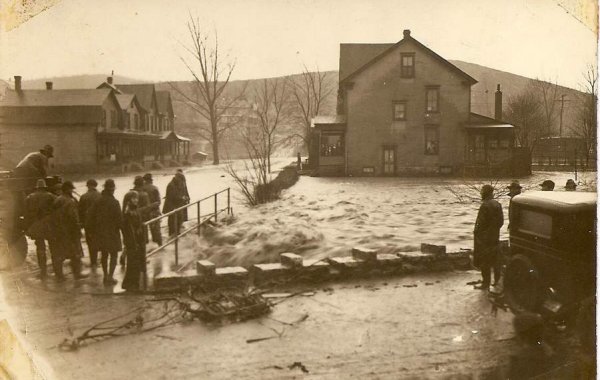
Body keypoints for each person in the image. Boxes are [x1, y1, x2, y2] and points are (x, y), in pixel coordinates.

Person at [87, 179, 122, 285]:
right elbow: (119, 220)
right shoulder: (115, 202)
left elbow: (90, 217)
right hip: (112, 233)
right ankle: (110, 277)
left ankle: (105, 275)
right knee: (114, 255)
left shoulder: (97, 201)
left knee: (104, 254)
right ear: (112, 190)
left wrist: (91, 231)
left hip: (100, 233)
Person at [52, 181, 87, 281]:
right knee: (75, 253)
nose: (72, 191)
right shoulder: (69, 201)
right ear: (68, 189)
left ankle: (59, 275)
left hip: (60, 230)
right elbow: (73, 217)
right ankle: (77, 274)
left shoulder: (58, 199)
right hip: (70, 231)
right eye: (71, 189)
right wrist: (78, 228)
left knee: (60, 253)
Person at [473, 184, 504, 290]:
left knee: (484, 261)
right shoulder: (497, 204)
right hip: (494, 236)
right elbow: (501, 222)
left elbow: (480, 224)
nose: (481, 193)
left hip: (484, 239)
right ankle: (496, 281)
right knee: (495, 259)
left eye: (482, 191)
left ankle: (485, 283)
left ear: (485, 193)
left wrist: (478, 234)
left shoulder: (485, 205)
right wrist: (494, 231)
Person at [24, 179, 56, 278]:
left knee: (40, 248)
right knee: (53, 247)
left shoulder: (29, 197)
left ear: (37, 188)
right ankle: (57, 270)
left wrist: (28, 228)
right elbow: (56, 210)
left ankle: (43, 272)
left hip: (37, 225)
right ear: (44, 187)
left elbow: (26, 214)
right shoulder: (51, 196)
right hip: (49, 225)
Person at [120, 176, 150, 265]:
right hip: (140, 221)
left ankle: (124, 255)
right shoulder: (144, 195)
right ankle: (142, 259)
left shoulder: (128, 194)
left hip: (128, 221)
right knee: (141, 241)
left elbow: (124, 209)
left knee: (130, 240)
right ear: (143, 184)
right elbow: (147, 209)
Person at [121, 191, 146, 292]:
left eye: (136, 198)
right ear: (129, 200)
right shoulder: (128, 212)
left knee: (135, 262)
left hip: (136, 239)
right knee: (133, 263)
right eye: (133, 198)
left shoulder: (134, 209)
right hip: (132, 240)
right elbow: (129, 229)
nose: (136, 200)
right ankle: (131, 284)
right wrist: (134, 241)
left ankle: (131, 283)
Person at [78, 179, 101, 266]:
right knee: (99, 240)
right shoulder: (100, 195)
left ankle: (93, 261)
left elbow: (80, 211)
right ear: (95, 185)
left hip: (88, 224)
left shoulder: (83, 197)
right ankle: (102, 260)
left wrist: (81, 223)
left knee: (90, 242)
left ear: (88, 186)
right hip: (98, 223)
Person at [143, 173, 163, 245]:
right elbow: (159, 202)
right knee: (156, 232)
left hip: (144, 213)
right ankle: (160, 247)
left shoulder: (141, 189)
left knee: (144, 233)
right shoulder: (154, 188)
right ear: (151, 180)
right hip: (154, 212)